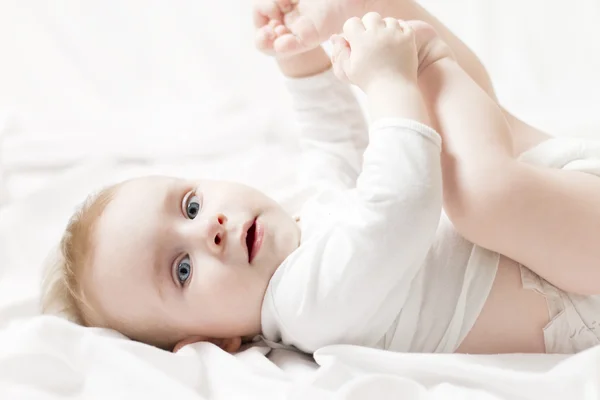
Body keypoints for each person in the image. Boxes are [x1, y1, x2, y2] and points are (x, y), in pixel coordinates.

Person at [41, 0, 600, 355]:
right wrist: (389, 83)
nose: (208, 229)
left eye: (189, 205)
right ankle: (419, 53)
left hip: (553, 201)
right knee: (475, 194)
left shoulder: (307, 230)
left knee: (469, 161)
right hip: (579, 282)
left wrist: (302, 61)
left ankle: (372, 23)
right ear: (216, 342)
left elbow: (332, 147)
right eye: (182, 270)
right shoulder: (307, 307)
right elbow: (403, 203)